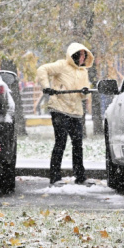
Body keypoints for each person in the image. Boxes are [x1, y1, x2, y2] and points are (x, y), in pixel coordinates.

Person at [35, 42, 94, 185]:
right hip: (59, 109)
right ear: (74, 55)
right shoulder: (61, 65)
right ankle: (55, 177)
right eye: (81, 55)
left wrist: (85, 92)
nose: (83, 58)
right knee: (61, 142)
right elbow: (42, 69)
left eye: (84, 55)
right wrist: (47, 87)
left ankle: (80, 177)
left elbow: (83, 94)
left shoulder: (83, 72)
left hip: (76, 112)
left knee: (78, 144)